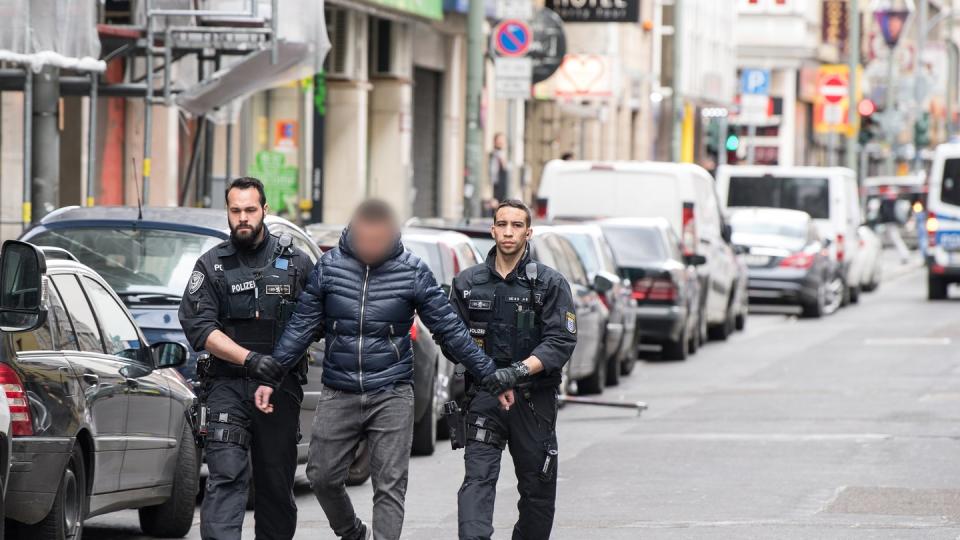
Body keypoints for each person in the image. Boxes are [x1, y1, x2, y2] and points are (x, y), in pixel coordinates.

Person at [254, 199, 516, 540]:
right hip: (339, 390)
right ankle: (351, 532)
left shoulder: (413, 270)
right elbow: (301, 327)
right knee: (321, 476)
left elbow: (450, 329)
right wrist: (270, 375)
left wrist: (491, 376)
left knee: (389, 486)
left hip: (391, 392)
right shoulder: (330, 266)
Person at [178, 177, 314, 540]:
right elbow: (199, 327)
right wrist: (250, 359)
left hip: (279, 390)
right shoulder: (211, 265)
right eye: (235, 210)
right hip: (227, 385)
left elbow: (316, 322)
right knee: (226, 477)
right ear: (227, 212)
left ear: (265, 210)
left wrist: (278, 363)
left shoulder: (297, 264)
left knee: (275, 486)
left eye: (250, 210)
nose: (243, 218)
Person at [448, 199, 578, 540]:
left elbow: (560, 342)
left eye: (516, 225)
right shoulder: (467, 283)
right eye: (502, 224)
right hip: (484, 399)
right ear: (492, 230)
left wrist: (516, 372)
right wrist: (491, 374)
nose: (508, 232)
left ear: (528, 232)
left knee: (537, 492)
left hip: (533, 401)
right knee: (477, 482)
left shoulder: (550, 284)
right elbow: (452, 339)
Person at [490, 132, 509, 205]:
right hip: (495, 189)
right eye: (499, 140)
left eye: (503, 141)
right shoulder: (493, 156)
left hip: (502, 190)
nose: (501, 142)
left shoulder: (504, 155)